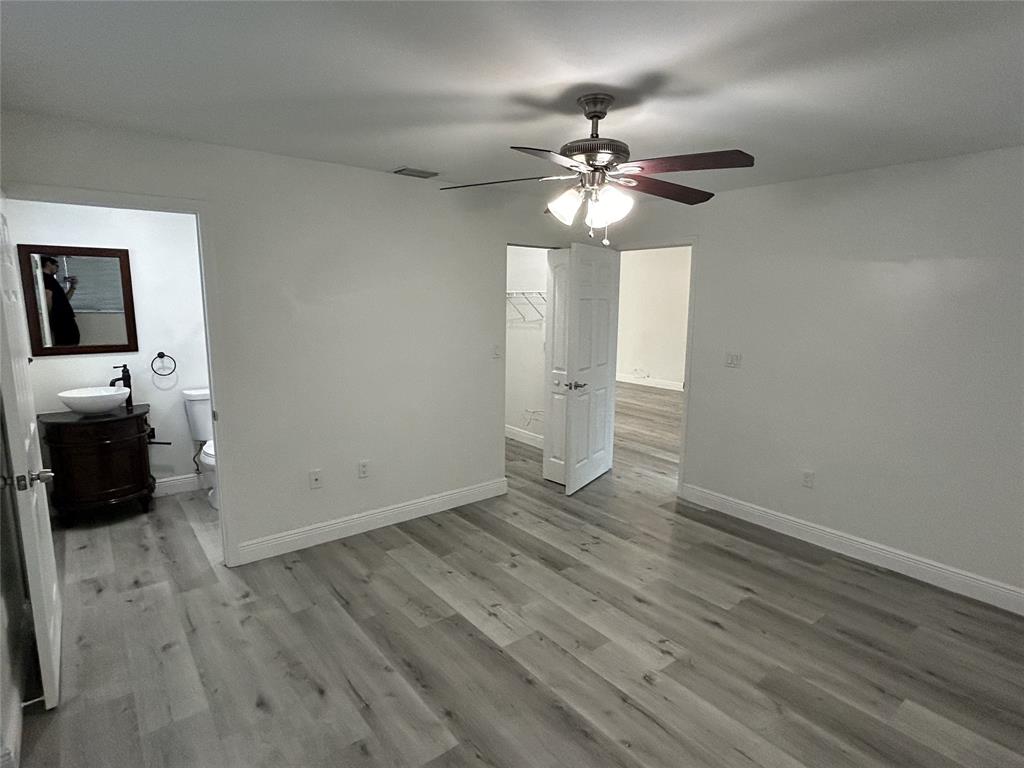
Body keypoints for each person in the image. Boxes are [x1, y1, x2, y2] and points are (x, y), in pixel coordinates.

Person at [40, 256, 80, 346]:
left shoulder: (51, 280)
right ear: (48, 264)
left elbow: (64, 300)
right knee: (68, 344)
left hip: (64, 318)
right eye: (56, 265)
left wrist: (73, 286)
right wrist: (48, 318)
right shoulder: (45, 278)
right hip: (60, 320)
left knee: (72, 342)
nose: (58, 268)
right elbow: (47, 296)